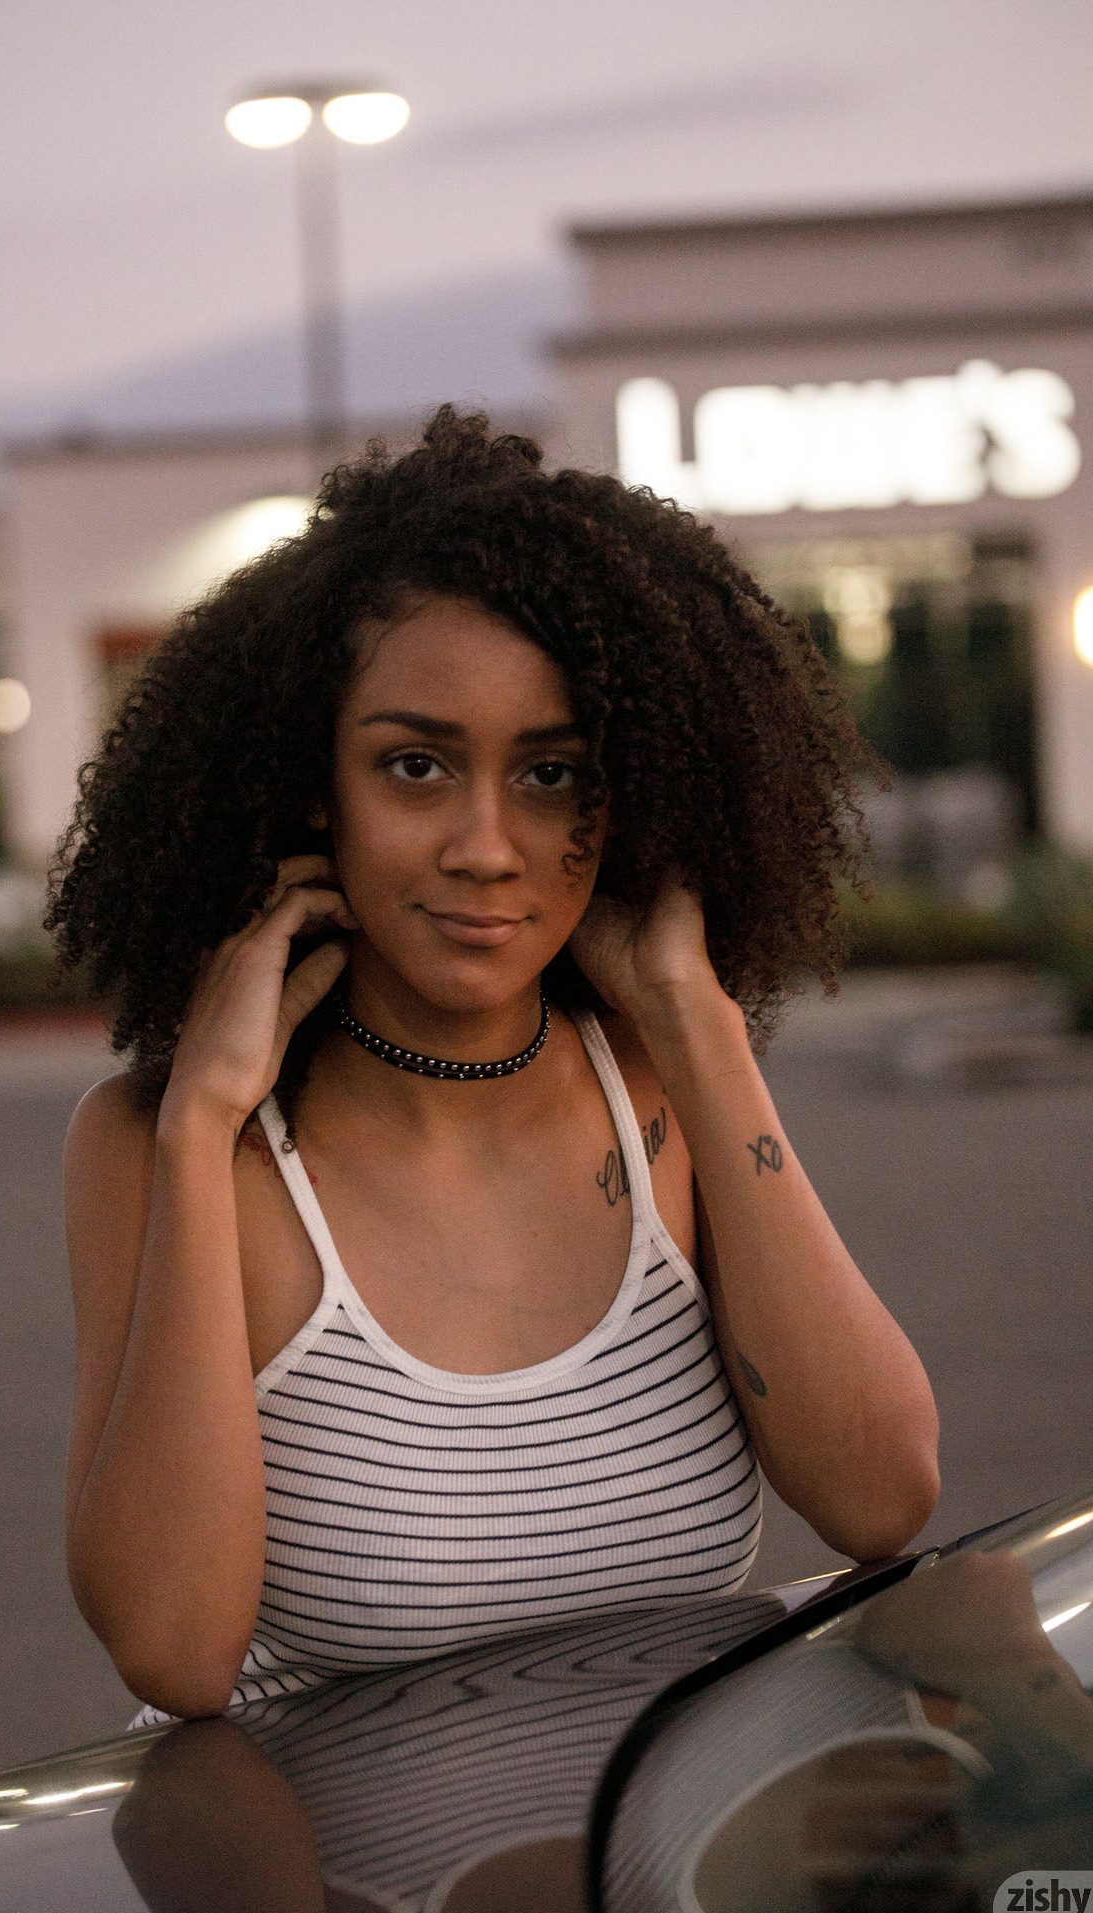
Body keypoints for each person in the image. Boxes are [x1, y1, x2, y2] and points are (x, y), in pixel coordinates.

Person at [45, 406, 940, 1727]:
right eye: (415, 766)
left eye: (552, 774)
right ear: (314, 787)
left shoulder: (663, 1087)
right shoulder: (162, 1141)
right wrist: (200, 1124)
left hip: (646, 1836)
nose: (485, 846)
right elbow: (175, 1652)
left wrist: (695, 1023)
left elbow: (881, 1497)